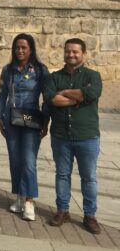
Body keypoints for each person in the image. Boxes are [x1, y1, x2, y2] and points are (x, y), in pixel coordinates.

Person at [44, 38, 103, 234]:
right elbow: (52, 99)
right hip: (61, 135)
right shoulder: (54, 78)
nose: (71, 55)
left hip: (87, 136)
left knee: (89, 178)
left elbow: (93, 93)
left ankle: (90, 215)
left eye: (75, 52)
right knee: (62, 175)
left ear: (83, 54)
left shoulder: (93, 76)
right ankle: (63, 210)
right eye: (68, 51)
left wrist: (67, 92)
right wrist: (79, 97)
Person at [0, 34, 49, 221]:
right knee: (15, 159)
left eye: (24, 48)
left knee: (28, 161)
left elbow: (47, 99)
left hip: (32, 120)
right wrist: (0, 117)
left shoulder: (40, 71)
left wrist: (46, 121)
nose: (20, 51)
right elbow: (1, 95)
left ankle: (29, 201)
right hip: (12, 120)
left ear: (31, 49)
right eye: (17, 47)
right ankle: (19, 196)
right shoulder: (8, 70)